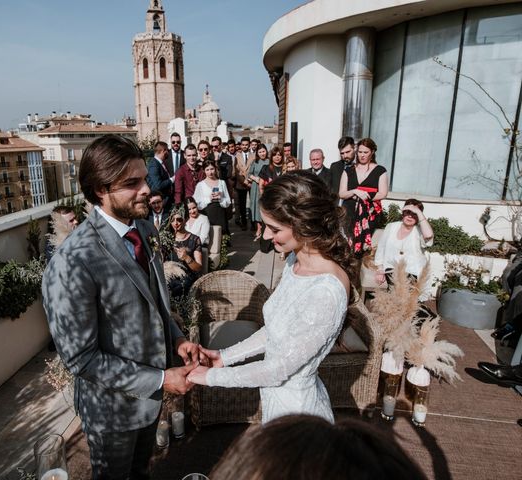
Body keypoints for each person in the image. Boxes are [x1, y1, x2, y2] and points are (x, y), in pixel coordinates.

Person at [42, 134, 199, 479]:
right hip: (111, 413)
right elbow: (82, 359)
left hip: (149, 404)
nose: (147, 189)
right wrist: (160, 378)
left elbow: (156, 302)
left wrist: (177, 339)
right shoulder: (73, 262)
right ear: (101, 189)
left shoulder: (143, 228)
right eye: (132, 183)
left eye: (144, 178)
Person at [188, 171, 355, 424]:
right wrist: (225, 356)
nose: (265, 236)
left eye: (274, 228)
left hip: (298, 417)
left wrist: (208, 377)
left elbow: (277, 370)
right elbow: (275, 331)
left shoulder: (326, 292)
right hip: (275, 402)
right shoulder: (293, 260)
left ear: (304, 224)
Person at [209, 414, 427, 480]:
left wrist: (209, 376)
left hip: (299, 405)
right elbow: (270, 336)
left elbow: (281, 366)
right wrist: (224, 357)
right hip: (279, 412)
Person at [339, 137, 388, 256]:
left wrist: (366, 195)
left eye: (365, 152)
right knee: (347, 246)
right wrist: (355, 191)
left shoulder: (380, 170)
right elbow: (342, 193)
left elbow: (383, 193)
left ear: (372, 152)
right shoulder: (348, 170)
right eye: (360, 152)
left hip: (368, 214)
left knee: (363, 251)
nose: (362, 155)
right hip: (349, 212)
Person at [374, 199, 434, 286]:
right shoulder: (391, 226)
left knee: (404, 297)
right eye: (408, 212)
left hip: (413, 272)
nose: (410, 216)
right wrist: (380, 270)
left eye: (414, 214)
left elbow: (428, 235)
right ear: (403, 212)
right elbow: (381, 248)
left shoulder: (420, 230)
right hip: (391, 270)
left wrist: (419, 212)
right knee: (393, 295)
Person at [163, 203, 203, 298]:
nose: (175, 223)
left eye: (179, 219)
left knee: (178, 286)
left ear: (186, 219)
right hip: (169, 275)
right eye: (172, 220)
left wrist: (186, 257)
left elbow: (198, 267)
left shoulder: (194, 239)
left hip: (186, 277)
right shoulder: (166, 239)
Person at [194, 159, 231, 235]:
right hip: (207, 214)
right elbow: (197, 203)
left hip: (220, 214)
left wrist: (220, 198)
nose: (210, 172)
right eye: (207, 170)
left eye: (212, 169)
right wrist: (209, 199)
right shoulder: (200, 185)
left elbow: (228, 201)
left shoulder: (222, 183)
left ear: (215, 168)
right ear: (204, 171)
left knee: (221, 237)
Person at [246, 143, 269, 240]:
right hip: (255, 187)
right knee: (256, 207)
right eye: (260, 152)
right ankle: (258, 229)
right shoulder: (255, 162)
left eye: (263, 151)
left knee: (265, 207)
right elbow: (249, 174)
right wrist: (256, 179)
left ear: (266, 151)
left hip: (266, 187)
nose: (262, 153)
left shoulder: (269, 161)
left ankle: (266, 229)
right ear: (257, 153)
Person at [147, 140, 174, 210]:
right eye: (167, 150)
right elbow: (158, 185)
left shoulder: (161, 163)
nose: (168, 152)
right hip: (159, 202)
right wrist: (172, 179)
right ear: (163, 151)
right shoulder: (154, 165)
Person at [233, 137, 252, 230]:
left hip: (252, 183)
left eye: (246, 145)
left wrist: (249, 180)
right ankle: (244, 222)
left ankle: (253, 223)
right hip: (241, 184)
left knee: (252, 204)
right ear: (240, 145)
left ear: (249, 145)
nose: (244, 146)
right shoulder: (237, 156)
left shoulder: (253, 155)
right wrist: (244, 181)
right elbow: (236, 171)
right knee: (242, 205)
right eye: (243, 145)